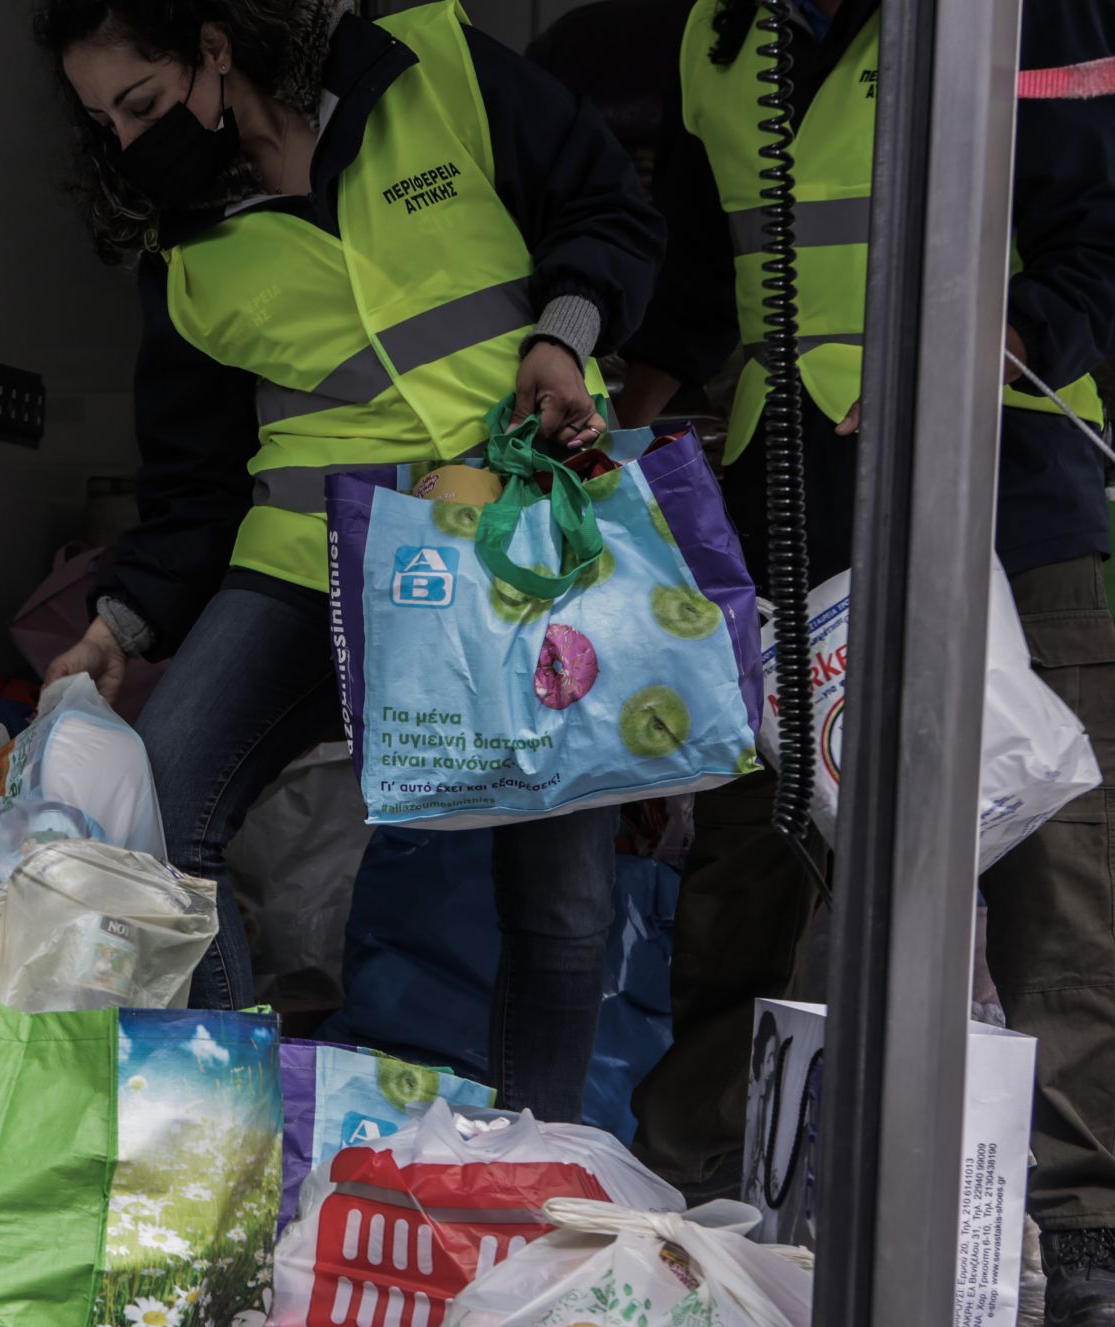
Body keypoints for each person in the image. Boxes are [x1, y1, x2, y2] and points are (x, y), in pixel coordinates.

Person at [616, 0, 1115, 1327]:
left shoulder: (1024, 8)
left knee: (1053, 860)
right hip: (787, 496)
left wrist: (1015, 334)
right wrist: (633, 385)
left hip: (1008, 489)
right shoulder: (716, 35)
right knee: (752, 854)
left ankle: (1085, 1222)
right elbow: (707, 273)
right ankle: (710, 1183)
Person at [34, 0, 665, 1118]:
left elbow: (605, 201)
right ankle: (249, 1120)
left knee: (560, 896)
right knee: (163, 801)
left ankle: (538, 1165)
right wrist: (116, 625)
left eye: (138, 104)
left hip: (525, 529)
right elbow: (192, 480)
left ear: (212, 48)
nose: (129, 143)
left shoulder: (434, 67)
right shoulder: (182, 248)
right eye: (104, 125)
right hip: (312, 558)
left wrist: (562, 333)